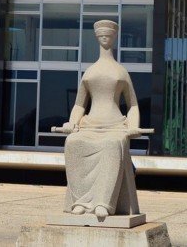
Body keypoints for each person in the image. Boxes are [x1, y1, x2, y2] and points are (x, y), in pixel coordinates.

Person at [60, 19, 142, 219]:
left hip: (115, 127)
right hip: (90, 125)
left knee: (113, 145)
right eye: (101, 35)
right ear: (97, 38)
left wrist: (133, 126)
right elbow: (80, 105)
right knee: (72, 142)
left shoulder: (120, 71)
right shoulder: (89, 71)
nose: (105, 38)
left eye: (109, 35)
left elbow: (133, 105)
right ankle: (80, 201)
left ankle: (103, 203)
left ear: (114, 38)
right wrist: (72, 122)